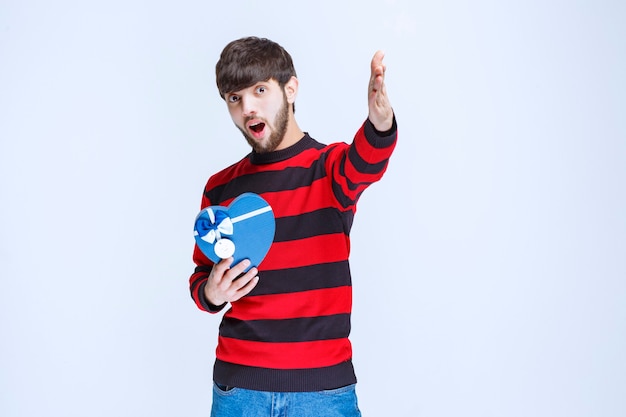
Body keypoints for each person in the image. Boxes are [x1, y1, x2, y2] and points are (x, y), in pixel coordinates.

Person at [189, 36, 397, 417]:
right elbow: (200, 281)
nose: (247, 107)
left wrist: (380, 125)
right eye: (234, 98)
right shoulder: (220, 188)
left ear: (290, 88)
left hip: (322, 393)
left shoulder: (329, 169)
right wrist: (213, 292)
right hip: (239, 392)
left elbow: (366, 163)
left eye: (260, 90)